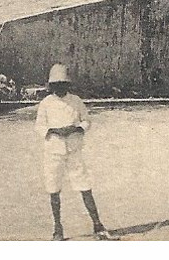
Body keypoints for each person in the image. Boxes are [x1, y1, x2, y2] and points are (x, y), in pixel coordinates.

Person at [35, 63, 112, 241]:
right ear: (51, 85)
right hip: (53, 150)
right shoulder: (46, 103)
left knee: (85, 186)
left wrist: (77, 129)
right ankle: (58, 229)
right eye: (56, 84)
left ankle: (98, 226)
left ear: (68, 84)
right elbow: (39, 126)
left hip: (74, 149)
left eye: (63, 83)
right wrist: (54, 131)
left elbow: (86, 120)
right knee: (53, 189)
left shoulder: (76, 101)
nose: (60, 87)